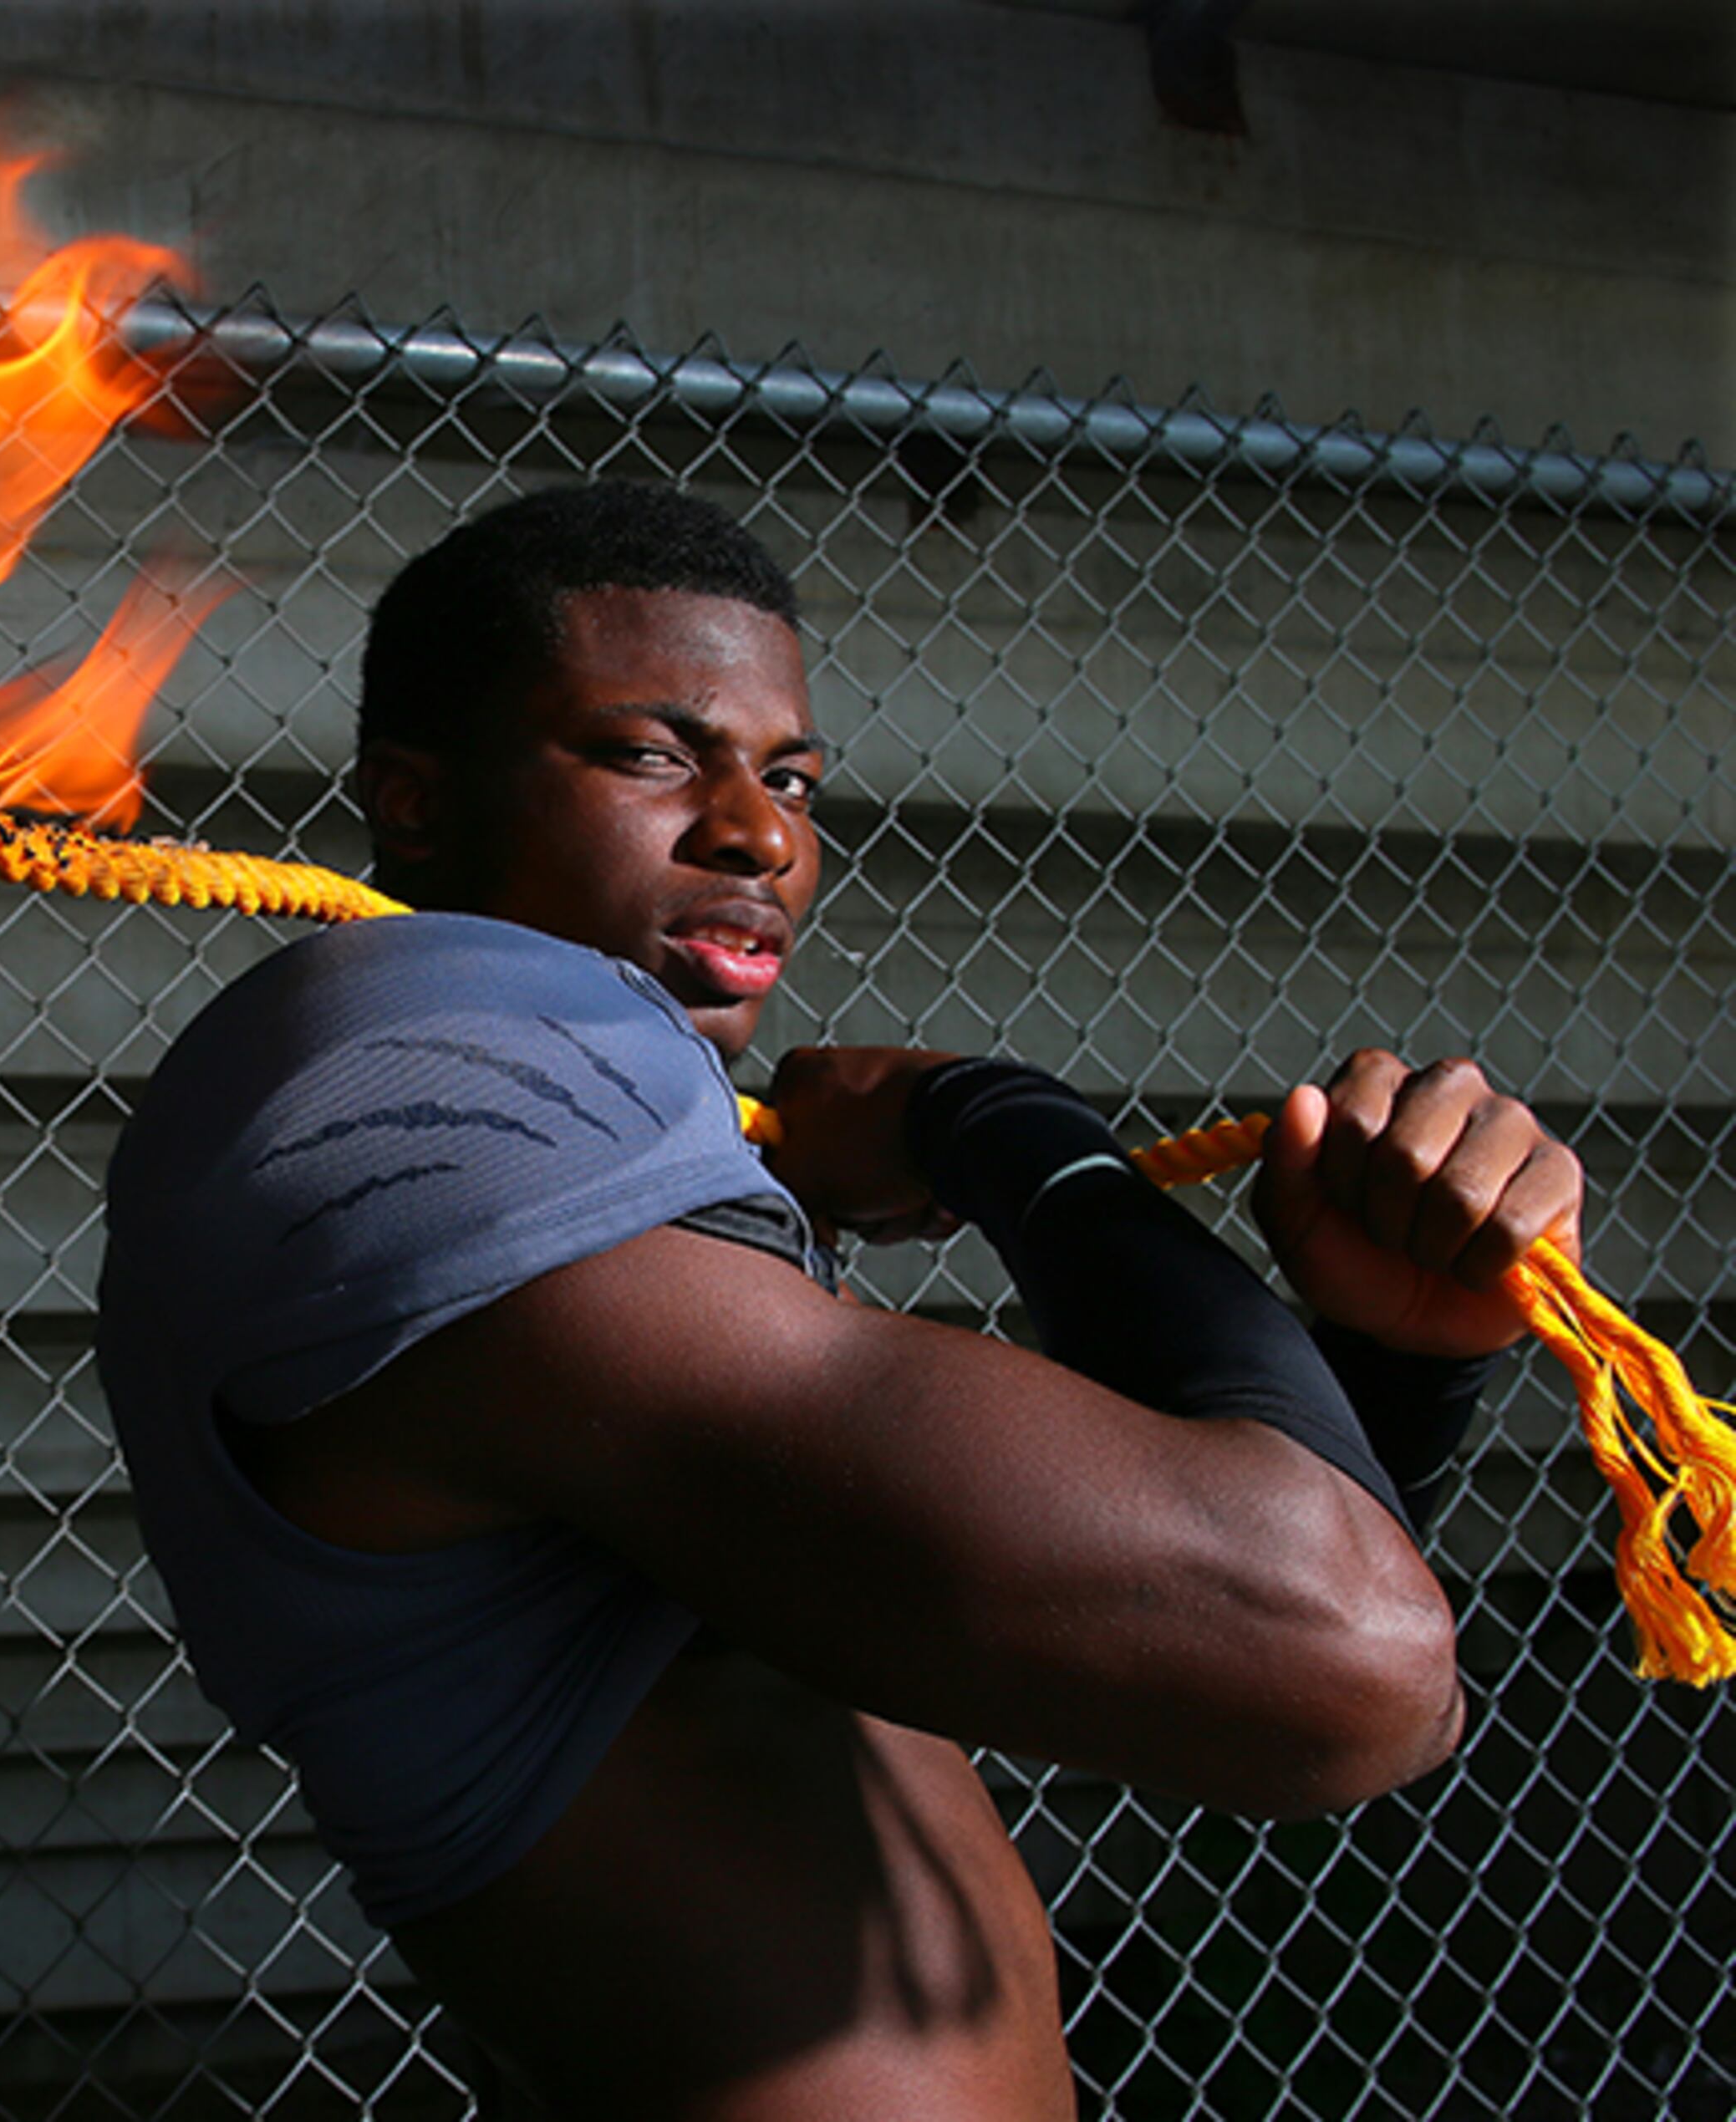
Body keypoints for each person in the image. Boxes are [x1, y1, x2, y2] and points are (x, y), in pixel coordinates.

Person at [94, 481, 1583, 2117]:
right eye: (651, 754)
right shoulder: (418, 1091)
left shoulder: (564, 1130)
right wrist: (999, 1127)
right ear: (416, 799)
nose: (762, 834)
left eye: (790, 776)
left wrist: (1390, 1355)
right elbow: (1334, 1654)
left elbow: (1209, 1634)